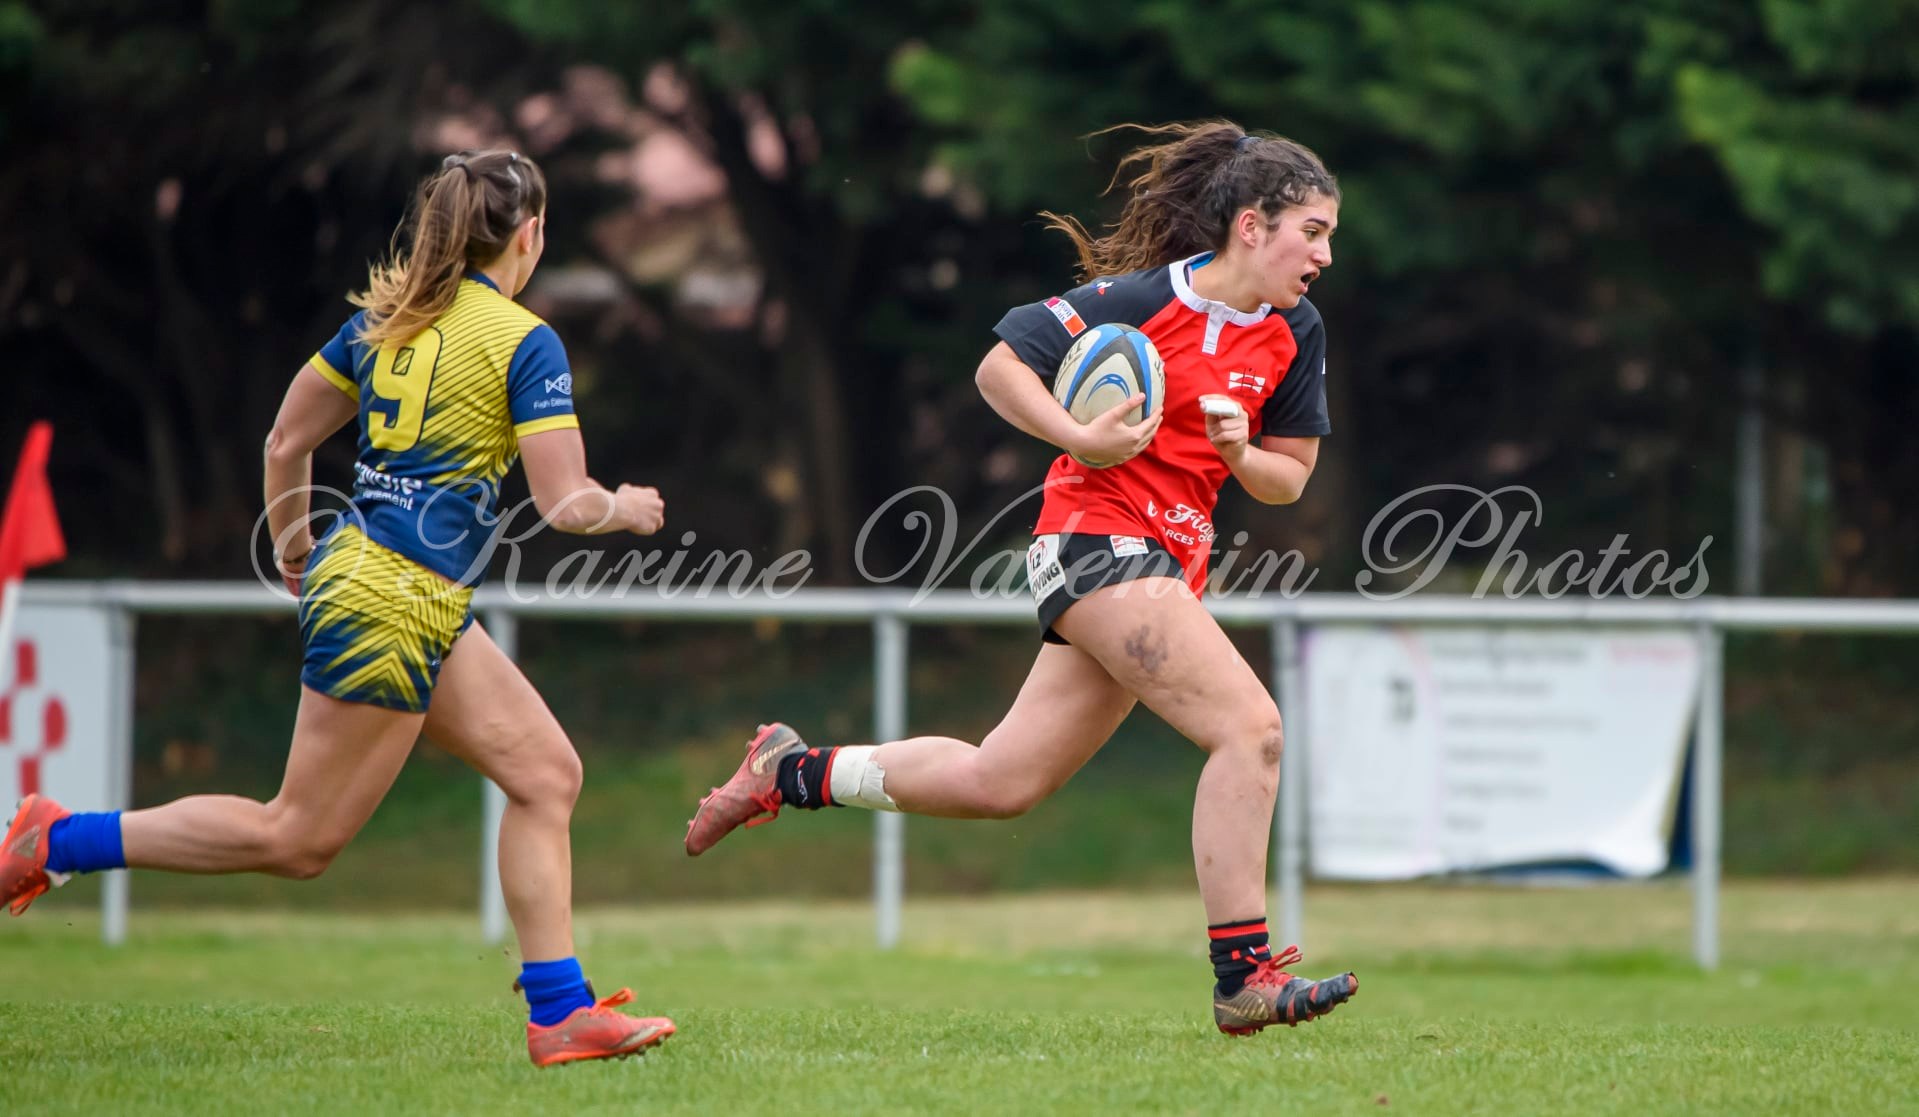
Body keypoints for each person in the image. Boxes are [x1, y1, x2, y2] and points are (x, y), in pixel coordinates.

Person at [2, 149, 675, 1066]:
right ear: (531, 233)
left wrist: (292, 548)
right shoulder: (525, 340)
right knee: (298, 837)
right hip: (397, 598)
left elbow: (286, 439)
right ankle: (58, 837)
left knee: (546, 774)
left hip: (387, 583)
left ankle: (559, 1009)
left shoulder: (382, 324)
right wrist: (625, 507)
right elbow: (564, 501)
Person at [684, 121, 1358, 1035]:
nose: (1323, 251)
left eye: (1327, 233)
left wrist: (1241, 455)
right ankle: (1242, 973)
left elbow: (1290, 480)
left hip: (1168, 564)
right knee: (1251, 729)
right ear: (1250, 225)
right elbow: (999, 367)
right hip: (1095, 543)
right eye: (1310, 230)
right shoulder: (1136, 299)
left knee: (999, 782)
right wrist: (1080, 437)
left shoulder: (1294, 331)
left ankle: (791, 769)